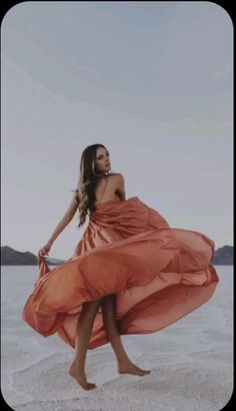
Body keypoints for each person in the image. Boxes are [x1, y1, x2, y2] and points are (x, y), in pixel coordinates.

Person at [23, 143, 219, 391]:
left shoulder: (83, 190)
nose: (106, 160)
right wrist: (151, 238)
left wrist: (49, 243)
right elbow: (129, 215)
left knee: (106, 306)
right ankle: (78, 365)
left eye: (107, 156)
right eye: (100, 158)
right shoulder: (116, 180)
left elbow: (69, 218)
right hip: (108, 254)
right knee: (93, 306)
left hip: (95, 252)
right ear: (91, 164)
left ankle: (121, 361)